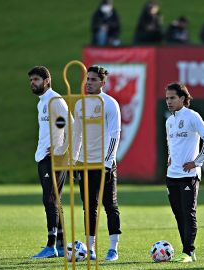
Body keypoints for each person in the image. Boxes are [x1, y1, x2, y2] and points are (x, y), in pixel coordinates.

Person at [71, 65, 122, 261]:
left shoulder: (110, 104)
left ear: (102, 82)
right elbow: (77, 134)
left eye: (93, 79)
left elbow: (114, 135)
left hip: (104, 164)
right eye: (87, 79)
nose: (88, 83)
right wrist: (74, 160)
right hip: (84, 163)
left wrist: (108, 163)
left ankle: (113, 248)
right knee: (88, 207)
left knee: (110, 205)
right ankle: (90, 248)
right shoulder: (80, 105)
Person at [164, 82, 204, 263]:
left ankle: (188, 251)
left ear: (183, 99)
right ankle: (187, 251)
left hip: (189, 176)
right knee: (179, 214)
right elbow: (171, 144)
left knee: (189, 213)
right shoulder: (169, 121)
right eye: (167, 98)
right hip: (172, 175)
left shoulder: (192, 116)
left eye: (172, 98)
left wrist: (197, 162)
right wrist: (170, 157)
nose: (168, 101)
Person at [29, 66, 71, 258]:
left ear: (47, 81)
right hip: (44, 155)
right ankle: (61, 245)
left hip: (53, 157)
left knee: (50, 199)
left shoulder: (55, 99)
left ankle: (51, 245)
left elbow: (69, 123)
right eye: (31, 80)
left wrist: (61, 148)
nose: (32, 83)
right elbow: (58, 125)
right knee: (54, 199)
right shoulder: (42, 102)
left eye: (36, 80)